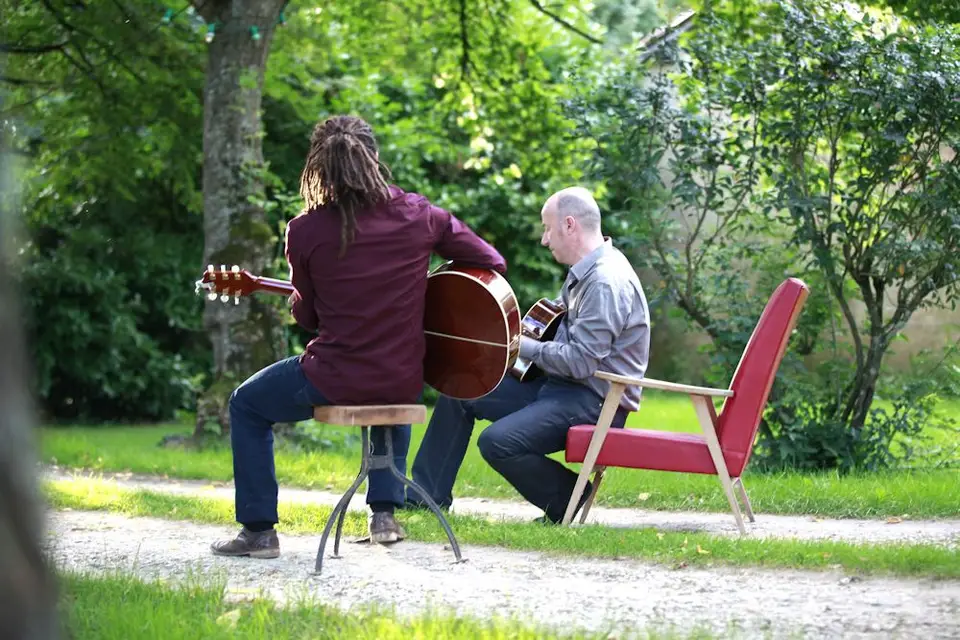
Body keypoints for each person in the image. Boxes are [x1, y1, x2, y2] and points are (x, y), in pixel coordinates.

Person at [211, 115, 506, 558]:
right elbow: (492, 261)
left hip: (334, 377)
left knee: (246, 404)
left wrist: (304, 300)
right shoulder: (419, 215)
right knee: (387, 375)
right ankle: (384, 514)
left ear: (319, 167)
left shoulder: (304, 230)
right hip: (403, 377)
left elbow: (308, 317)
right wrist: (430, 298)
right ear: (375, 158)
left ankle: (259, 532)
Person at [408, 186, 649, 523]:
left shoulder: (605, 282)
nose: (544, 240)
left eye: (547, 228)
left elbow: (580, 362)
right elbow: (559, 330)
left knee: (497, 442)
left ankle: (567, 497)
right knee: (462, 389)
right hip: (560, 388)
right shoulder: (588, 270)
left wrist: (518, 345)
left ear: (569, 225)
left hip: (593, 402)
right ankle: (425, 497)